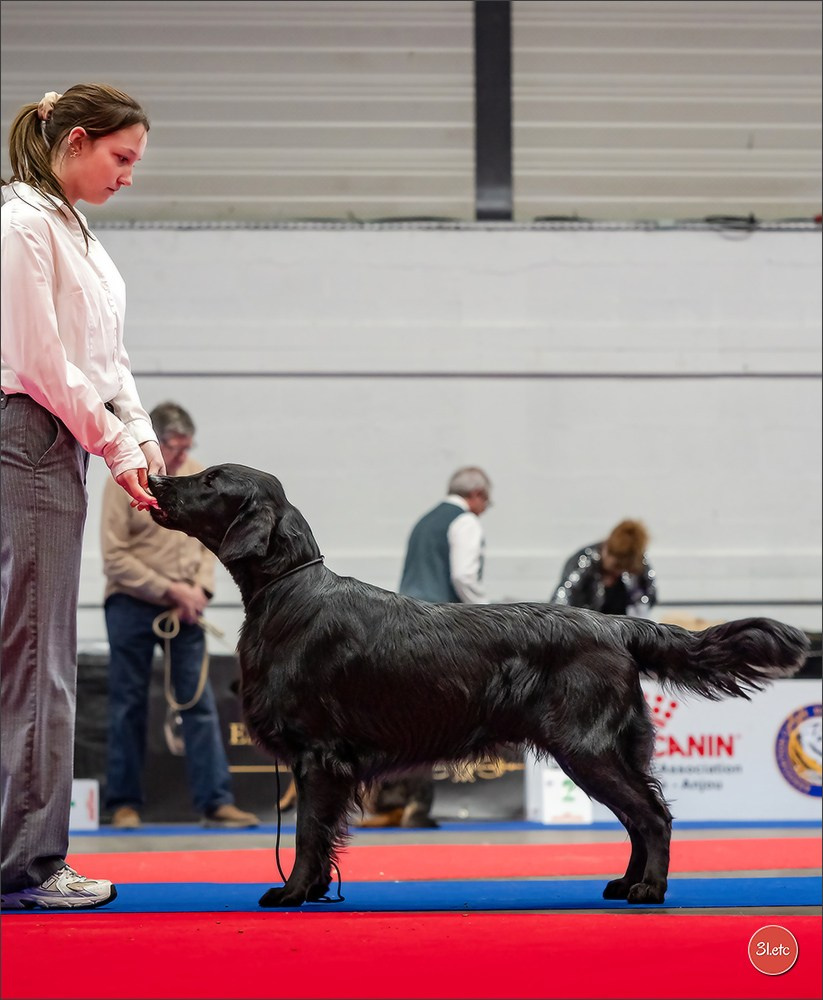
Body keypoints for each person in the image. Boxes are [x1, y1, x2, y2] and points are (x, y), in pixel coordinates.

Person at [1, 85, 163, 910]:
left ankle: (22, 857)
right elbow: (39, 361)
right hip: (26, 434)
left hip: (57, 436)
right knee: (37, 663)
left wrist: (134, 440)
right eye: (121, 157)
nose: (129, 174)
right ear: (74, 140)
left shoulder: (77, 233)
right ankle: (27, 867)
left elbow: (109, 362)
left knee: (38, 658)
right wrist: (110, 439)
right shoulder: (24, 223)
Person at [102, 402, 260, 831]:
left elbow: (213, 538)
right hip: (132, 604)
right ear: (156, 441)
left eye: (185, 447)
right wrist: (168, 588)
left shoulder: (198, 474)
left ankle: (216, 802)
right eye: (173, 447)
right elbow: (114, 558)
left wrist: (200, 591)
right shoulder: (123, 477)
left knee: (199, 704)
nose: (179, 457)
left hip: (185, 607)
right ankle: (123, 804)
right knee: (128, 704)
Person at [360, 466, 493, 828]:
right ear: (477, 495)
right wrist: (491, 618)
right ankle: (417, 806)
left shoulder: (424, 521)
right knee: (432, 719)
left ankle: (390, 802)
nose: (485, 508)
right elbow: (464, 576)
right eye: (487, 501)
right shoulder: (465, 522)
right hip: (437, 628)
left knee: (400, 718)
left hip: (401, 625)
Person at [550, 519, 657, 617]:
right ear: (607, 546)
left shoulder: (638, 566)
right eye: (616, 564)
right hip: (584, 630)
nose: (618, 572)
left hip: (624, 632)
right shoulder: (583, 562)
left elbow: (649, 597)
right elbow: (561, 601)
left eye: (623, 567)